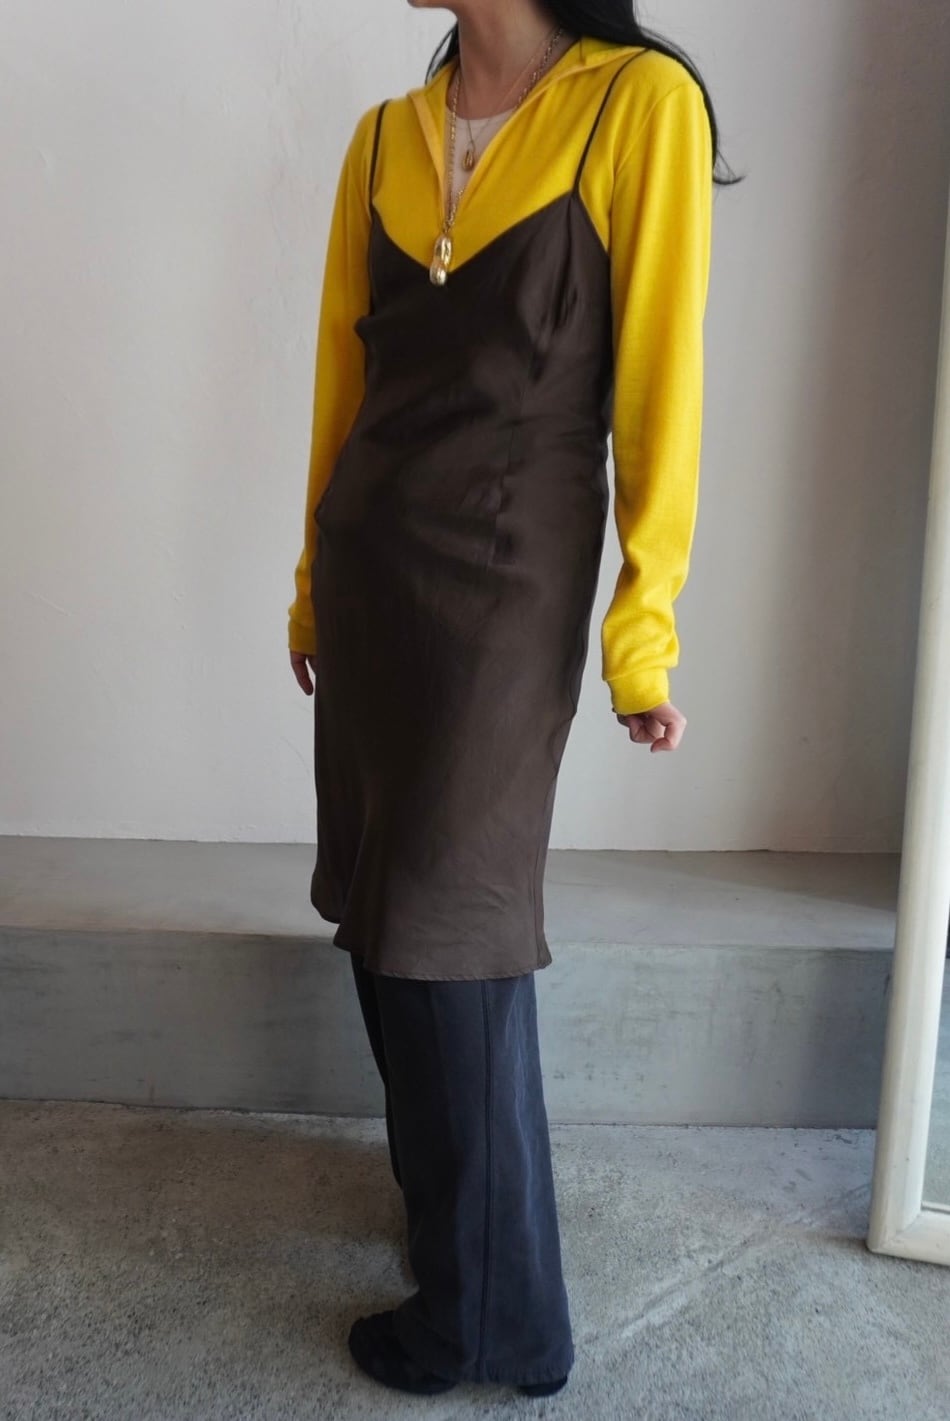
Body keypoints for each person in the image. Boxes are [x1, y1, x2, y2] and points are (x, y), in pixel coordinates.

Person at [287, 0, 736, 1398]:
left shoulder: (635, 106)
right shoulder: (383, 138)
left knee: (452, 925)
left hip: (501, 583)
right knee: (380, 916)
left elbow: (662, 384)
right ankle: (450, 1233)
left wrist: (641, 633)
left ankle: (499, 1321)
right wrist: (308, 588)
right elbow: (342, 381)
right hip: (371, 570)